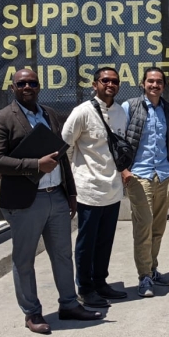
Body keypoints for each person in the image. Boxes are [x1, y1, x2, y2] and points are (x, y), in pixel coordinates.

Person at [0, 68, 103, 334]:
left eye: (32, 83)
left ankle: (69, 304)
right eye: (22, 83)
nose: (27, 87)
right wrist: (35, 165)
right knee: (24, 260)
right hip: (26, 201)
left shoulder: (49, 114)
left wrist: (71, 193)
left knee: (63, 255)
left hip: (57, 197)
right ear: (13, 87)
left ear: (39, 87)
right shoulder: (2, 118)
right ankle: (32, 312)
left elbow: (62, 156)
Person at [62, 67, 130, 304]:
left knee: (105, 241)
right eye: (105, 80)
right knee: (86, 242)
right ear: (95, 84)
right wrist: (71, 183)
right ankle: (85, 287)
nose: (110, 84)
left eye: (114, 81)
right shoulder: (81, 112)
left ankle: (101, 282)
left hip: (112, 189)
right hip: (88, 189)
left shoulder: (121, 112)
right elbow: (66, 147)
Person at [121, 68, 169, 298]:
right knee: (143, 226)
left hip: (163, 174)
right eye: (150, 81)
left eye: (159, 82)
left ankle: (152, 269)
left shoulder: (167, 108)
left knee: (158, 228)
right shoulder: (130, 106)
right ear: (142, 83)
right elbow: (118, 140)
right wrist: (124, 170)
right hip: (139, 175)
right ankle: (143, 276)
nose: (155, 85)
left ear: (164, 85)